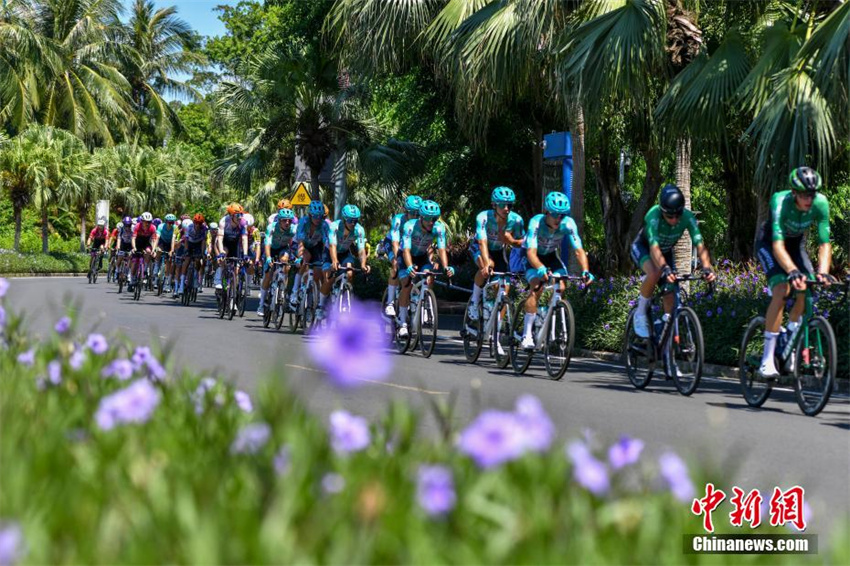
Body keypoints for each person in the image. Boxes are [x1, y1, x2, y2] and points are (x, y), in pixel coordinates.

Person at [755, 167, 832, 378]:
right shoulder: (780, 201)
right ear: (794, 192)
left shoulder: (821, 203)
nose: (809, 199)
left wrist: (823, 272)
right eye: (805, 195)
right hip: (770, 245)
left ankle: (788, 342)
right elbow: (778, 247)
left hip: (795, 247)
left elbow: (824, 244)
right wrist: (792, 271)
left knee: (807, 291)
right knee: (781, 289)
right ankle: (767, 360)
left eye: (812, 194)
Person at [629, 184, 716, 341]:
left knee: (670, 292)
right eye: (670, 216)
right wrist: (665, 268)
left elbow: (700, 245)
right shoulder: (653, 216)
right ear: (663, 212)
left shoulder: (688, 217)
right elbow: (654, 249)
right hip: (644, 248)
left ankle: (665, 328)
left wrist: (707, 268)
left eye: (678, 215)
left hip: (666, 252)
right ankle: (640, 313)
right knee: (655, 272)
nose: (675, 220)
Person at [520, 192, 594, 350]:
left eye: (562, 215)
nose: (558, 218)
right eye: (554, 214)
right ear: (546, 211)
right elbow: (531, 253)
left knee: (561, 287)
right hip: (532, 257)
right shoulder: (536, 223)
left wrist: (586, 271)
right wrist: (540, 268)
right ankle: (526, 335)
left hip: (552, 257)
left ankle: (547, 312)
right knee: (536, 286)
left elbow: (579, 250)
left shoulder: (568, 224)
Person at [397, 200, 454, 338]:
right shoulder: (410, 226)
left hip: (422, 256)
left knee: (430, 275)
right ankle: (402, 322)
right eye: (428, 219)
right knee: (407, 283)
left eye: (434, 219)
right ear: (421, 217)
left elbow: (441, 249)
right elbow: (406, 250)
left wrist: (446, 267)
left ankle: (425, 304)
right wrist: (409, 266)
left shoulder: (439, 228)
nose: (431, 222)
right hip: (406, 255)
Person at [467, 186, 525, 320]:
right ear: (494, 205)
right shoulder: (483, 217)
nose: (506, 208)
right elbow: (482, 242)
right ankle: (474, 301)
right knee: (488, 266)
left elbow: (522, 243)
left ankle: (497, 326)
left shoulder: (516, 220)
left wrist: (511, 242)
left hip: (498, 251)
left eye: (509, 205)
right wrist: (486, 264)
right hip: (480, 247)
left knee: (505, 288)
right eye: (502, 205)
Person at [316, 204, 371, 321]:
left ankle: (346, 300)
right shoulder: (334, 226)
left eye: (355, 221)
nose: (353, 223)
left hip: (345, 253)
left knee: (350, 273)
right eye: (350, 220)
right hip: (330, 252)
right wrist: (334, 261)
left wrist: (363, 264)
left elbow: (361, 250)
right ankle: (320, 305)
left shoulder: (359, 230)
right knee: (329, 278)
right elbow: (332, 245)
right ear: (344, 219)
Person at [381, 195, 421, 317]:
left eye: (417, 213)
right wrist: (397, 258)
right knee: (395, 265)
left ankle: (413, 297)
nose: (415, 216)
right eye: (412, 213)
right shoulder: (398, 220)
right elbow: (395, 242)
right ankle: (390, 303)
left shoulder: (420, 222)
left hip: (408, 247)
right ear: (406, 212)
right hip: (393, 243)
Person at [258, 208, 298, 316]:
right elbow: (267, 243)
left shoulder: (293, 229)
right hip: (270, 249)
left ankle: (281, 287)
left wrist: (298, 256)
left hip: (283, 249)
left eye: (289, 220)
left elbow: (299, 242)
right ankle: (261, 304)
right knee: (268, 275)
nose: (287, 223)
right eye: (284, 220)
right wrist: (268, 258)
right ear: (279, 220)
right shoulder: (271, 227)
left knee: (286, 263)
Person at [293, 200, 330, 309]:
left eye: (320, 217)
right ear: (309, 215)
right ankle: (294, 292)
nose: (317, 219)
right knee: (306, 258)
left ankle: (310, 301)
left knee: (318, 271)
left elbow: (326, 244)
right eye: (315, 216)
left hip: (315, 246)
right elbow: (300, 242)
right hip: (301, 245)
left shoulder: (324, 225)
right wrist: (299, 256)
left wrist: (328, 259)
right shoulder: (303, 222)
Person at [214, 203, 250, 290]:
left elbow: (244, 239)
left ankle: (232, 293)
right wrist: (221, 252)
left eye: (241, 214)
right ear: (231, 215)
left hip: (235, 244)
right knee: (223, 258)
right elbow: (220, 238)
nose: (240, 217)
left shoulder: (243, 222)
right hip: (224, 242)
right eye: (237, 215)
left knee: (236, 270)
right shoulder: (223, 222)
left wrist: (245, 254)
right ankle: (219, 280)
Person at [176, 213, 208, 298]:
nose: (197, 225)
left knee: (198, 260)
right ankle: (182, 284)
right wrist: (186, 250)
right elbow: (186, 240)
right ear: (194, 222)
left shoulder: (204, 229)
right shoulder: (189, 227)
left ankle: (195, 277)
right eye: (196, 223)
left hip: (198, 244)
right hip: (189, 243)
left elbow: (204, 242)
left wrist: (202, 253)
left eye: (200, 223)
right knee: (187, 260)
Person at [130, 212, 157, 290]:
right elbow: (133, 238)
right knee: (135, 263)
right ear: (142, 221)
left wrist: (154, 249)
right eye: (145, 221)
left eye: (149, 222)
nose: (147, 224)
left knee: (149, 251)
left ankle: (144, 269)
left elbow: (154, 240)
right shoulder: (137, 226)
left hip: (146, 243)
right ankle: (132, 280)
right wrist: (134, 247)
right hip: (137, 243)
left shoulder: (152, 228)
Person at [155, 214, 178, 291]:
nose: (170, 224)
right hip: (162, 242)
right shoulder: (161, 226)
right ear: (165, 222)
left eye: (172, 223)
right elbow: (157, 237)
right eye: (169, 222)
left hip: (170, 244)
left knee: (169, 261)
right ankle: (156, 268)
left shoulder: (175, 228)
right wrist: (155, 248)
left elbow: (173, 240)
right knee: (159, 251)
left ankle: (166, 283)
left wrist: (172, 250)